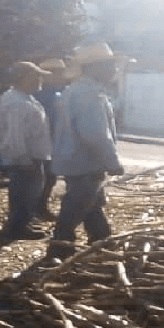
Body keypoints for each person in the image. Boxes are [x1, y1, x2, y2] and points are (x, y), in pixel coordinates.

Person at [49, 42, 125, 258]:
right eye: (108, 65)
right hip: (85, 162)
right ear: (93, 67)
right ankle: (59, 249)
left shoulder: (76, 91)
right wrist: (113, 162)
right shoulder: (89, 95)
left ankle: (102, 242)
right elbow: (96, 135)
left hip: (76, 161)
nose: (113, 70)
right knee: (76, 206)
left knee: (91, 205)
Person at [0, 61, 53, 240]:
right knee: (24, 193)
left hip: (31, 156)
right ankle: (18, 227)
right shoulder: (17, 102)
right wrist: (23, 159)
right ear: (25, 78)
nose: (40, 79)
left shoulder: (24, 97)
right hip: (25, 158)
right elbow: (15, 134)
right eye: (37, 76)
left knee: (29, 192)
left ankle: (21, 224)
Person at [33, 59, 68, 220]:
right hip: (45, 144)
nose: (62, 77)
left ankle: (39, 207)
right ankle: (37, 208)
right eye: (58, 73)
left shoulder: (55, 94)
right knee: (44, 178)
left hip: (50, 143)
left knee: (48, 178)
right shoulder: (45, 96)